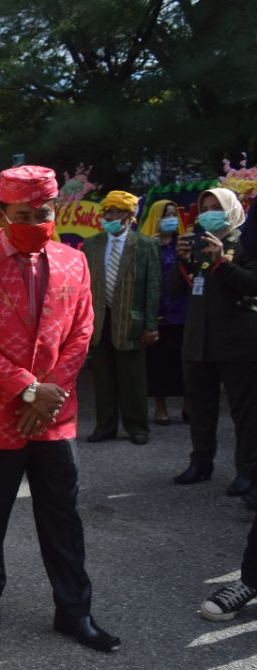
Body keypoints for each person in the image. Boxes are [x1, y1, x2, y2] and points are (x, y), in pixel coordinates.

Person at [0, 165, 120, 652]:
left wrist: (49, 395)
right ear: (1, 213)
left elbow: (82, 331)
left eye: (43, 213)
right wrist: (28, 388)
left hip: (54, 413)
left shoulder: (73, 261)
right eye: (23, 214)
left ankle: (75, 611)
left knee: (62, 516)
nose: (34, 221)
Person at [169, 188, 257, 508]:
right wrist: (181, 261)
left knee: (245, 412)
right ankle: (201, 463)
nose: (208, 214)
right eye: (204, 208)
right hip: (198, 341)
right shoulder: (198, 242)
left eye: (215, 208)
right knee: (201, 409)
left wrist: (222, 261)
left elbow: (252, 284)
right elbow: (174, 290)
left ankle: (248, 472)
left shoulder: (246, 242)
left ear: (231, 210)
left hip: (238, 342)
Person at [84, 190, 160, 445]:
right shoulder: (92, 244)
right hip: (99, 320)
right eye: (106, 212)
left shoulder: (146, 245)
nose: (109, 217)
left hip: (131, 321)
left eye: (114, 212)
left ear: (129, 216)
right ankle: (105, 426)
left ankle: (137, 427)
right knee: (102, 378)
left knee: (133, 379)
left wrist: (151, 325)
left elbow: (152, 287)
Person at [140, 200, 189, 424]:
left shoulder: (184, 242)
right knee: (159, 363)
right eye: (165, 215)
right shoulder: (147, 245)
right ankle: (161, 408)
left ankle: (189, 406)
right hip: (158, 313)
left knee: (186, 361)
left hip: (184, 311)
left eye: (173, 214)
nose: (170, 219)